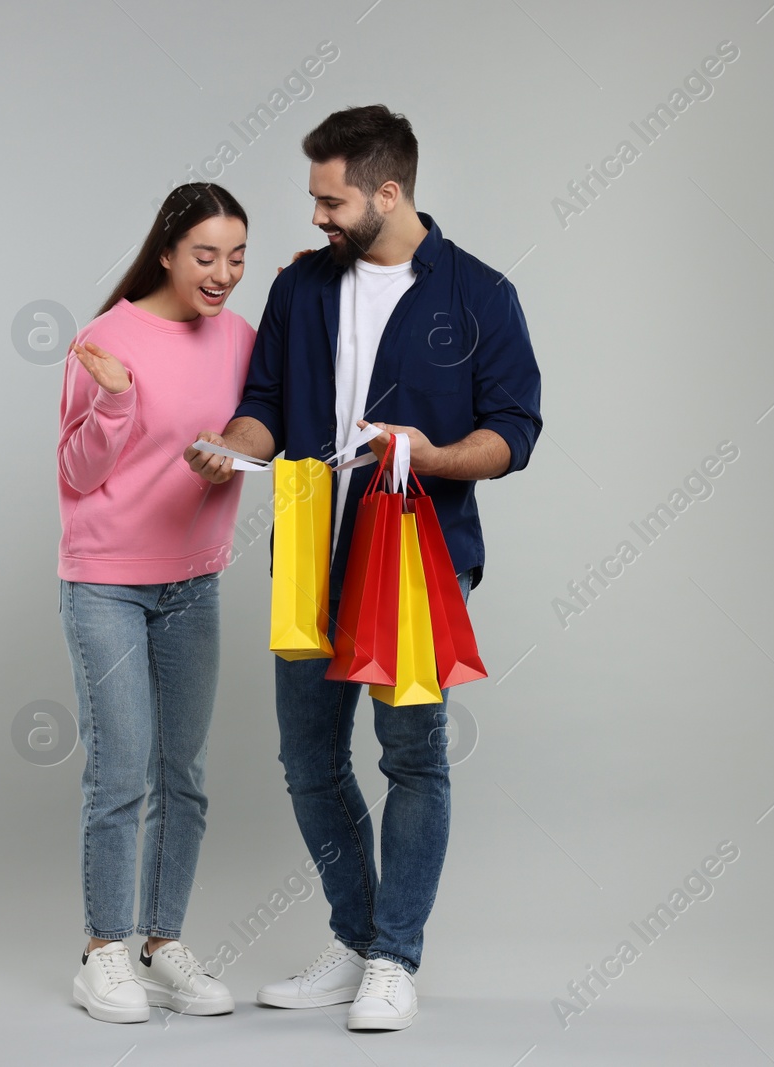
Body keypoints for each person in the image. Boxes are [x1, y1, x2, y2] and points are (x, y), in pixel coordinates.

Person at [184, 105, 543, 1031]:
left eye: (330, 199)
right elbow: (264, 401)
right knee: (308, 760)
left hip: (419, 558)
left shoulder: (480, 294)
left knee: (413, 757)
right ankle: (353, 940)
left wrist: (431, 455)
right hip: (309, 551)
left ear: (389, 191)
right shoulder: (302, 291)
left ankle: (394, 954)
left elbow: (515, 433)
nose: (315, 216)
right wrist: (231, 444)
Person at [57, 183, 255, 1023]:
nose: (222, 273)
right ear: (168, 251)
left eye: (237, 257)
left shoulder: (244, 338)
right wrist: (114, 399)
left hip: (195, 577)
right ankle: (103, 949)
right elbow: (76, 473)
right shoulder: (105, 339)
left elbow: (271, 421)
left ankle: (160, 941)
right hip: (106, 580)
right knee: (123, 768)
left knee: (186, 774)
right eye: (206, 255)